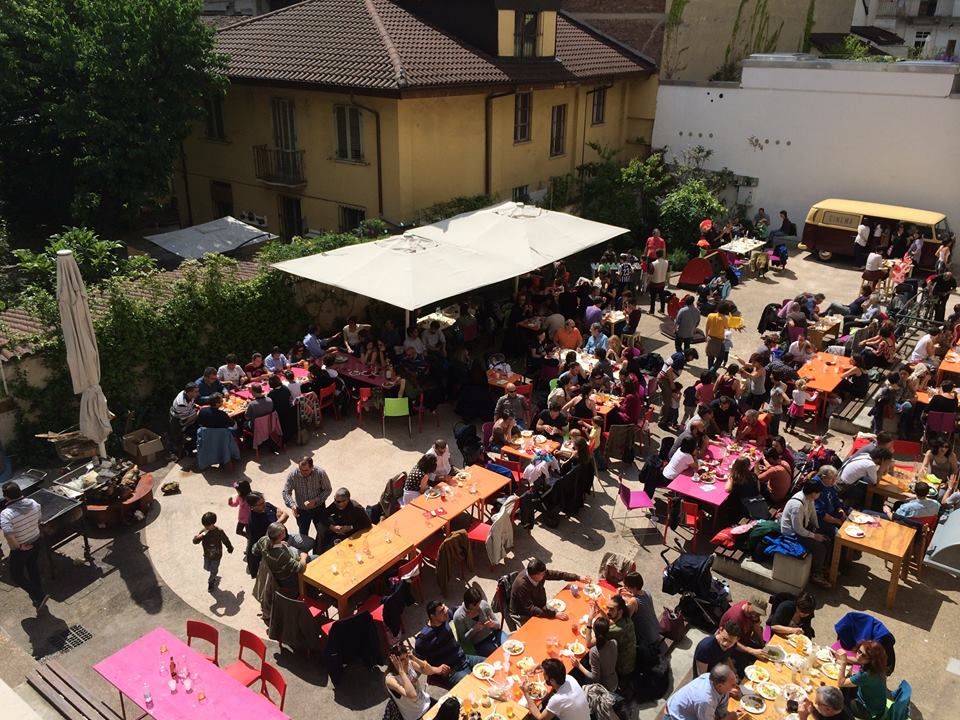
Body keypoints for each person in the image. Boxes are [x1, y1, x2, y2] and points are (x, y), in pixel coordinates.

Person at [414, 600, 485, 688]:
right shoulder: (424, 638)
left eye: (444, 608)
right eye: (441, 611)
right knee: (473, 686)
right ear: (432, 616)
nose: (445, 612)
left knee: (490, 664)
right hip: (452, 671)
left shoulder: (446, 616)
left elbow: (463, 608)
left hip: (465, 658)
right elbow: (416, 662)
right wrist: (435, 670)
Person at [1, 482, 47, 610]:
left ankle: (39, 595)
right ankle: (38, 595)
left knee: (16, 575)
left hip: (22, 547)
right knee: (32, 566)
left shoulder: (6, 514)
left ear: (6, 497)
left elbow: (9, 536)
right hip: (35, 541)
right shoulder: (34, 503)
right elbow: (39, 521)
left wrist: (19, 547)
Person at [780, 481, 831, 586]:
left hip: (803, 528)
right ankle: (816, 575)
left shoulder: (809, 499)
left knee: (827, 539)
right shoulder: (797, 506)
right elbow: (798, 529)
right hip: (792, 534)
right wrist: (814, 536)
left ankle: (823, 566)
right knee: (820, 548)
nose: (820, 495)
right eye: (819, 493)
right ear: (813, 493)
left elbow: (813, 515)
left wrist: (817, 529)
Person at [510, 558, 588, 622]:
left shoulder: (539, 573)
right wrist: (554, 614)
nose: (545, 575)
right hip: (523, 612)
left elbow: (558, 575)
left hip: (538, 605)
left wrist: (577, 577)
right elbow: (530, 608)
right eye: (543, 574)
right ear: (535, 575)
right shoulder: (522, 585)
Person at [663, 664, 739, 720]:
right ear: (720, 686)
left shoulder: (712, 678)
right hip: (675, 717)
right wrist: (730, 717)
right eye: (732, 685)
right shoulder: (706, 700)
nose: (736, 686)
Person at [282, 456, 333, 537]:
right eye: (300, 470)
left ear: (312, 467)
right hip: (302, 511)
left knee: (323, 531)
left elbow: (327, 489)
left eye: (306, 470)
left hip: (318, 508)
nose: (302, 473)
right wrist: (292, 505)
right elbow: (286, 492)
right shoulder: (293, 475)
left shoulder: (320, 473)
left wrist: (316, 500)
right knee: (303, 534)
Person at [524, 658, 590, 720]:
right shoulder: (570, 678)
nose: (543, 675)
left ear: (552, 680)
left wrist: (525, 692)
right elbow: (556, 667)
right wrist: (542, 667)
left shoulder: (557, 699)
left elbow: (540, 717)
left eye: (544, 674)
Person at [837, 641, 889, 719]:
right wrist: (841, 657)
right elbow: (858, 660)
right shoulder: (877, 666)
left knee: (836, 701)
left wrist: (843, 662)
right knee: (845, 687)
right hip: (874, 702)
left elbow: (841, 683)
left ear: (871, 659)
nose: (859, 656)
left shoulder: (867, 675)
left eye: (863, 655)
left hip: (868, 710)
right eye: (859, 651)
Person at [253, 522, 308, 593]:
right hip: (286, 577)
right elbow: (300, 568)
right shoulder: (281, 555)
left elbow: (254, 551)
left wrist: (278, 543)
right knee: (315, 558)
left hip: (274, 570)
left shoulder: (263, 540)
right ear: (280, 535)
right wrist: (303, 557)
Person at [244, 491, 288, 577]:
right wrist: (281, 545)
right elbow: (264, 545)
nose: (264, 504)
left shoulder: (267, 505)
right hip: (275, 548)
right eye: (260, 504)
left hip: (285, 538)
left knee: (309, 542)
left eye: (264, 501)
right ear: (252, 507)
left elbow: (285, 515)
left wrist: (275, 525)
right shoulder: (253, 524)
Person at [720, 596, 769, 672]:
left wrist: (763, 645)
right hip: (730, 646)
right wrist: (751, 651)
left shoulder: (753, 613)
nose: (757, 615)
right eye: (756, 611)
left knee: (765, 655)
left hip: (744, 640)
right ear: (748, 604)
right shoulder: (735, 618)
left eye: (759, 613)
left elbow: (756, 627)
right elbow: (732, 642)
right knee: (744, 668)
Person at [385, 644, 433, 720]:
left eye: (407, 656)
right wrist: (401, 672)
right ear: (394, 662)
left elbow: (430, 672)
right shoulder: (390, 679)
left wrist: (415, 658)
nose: (407, 660)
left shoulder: (410, 664)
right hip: (416, 715)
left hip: (426, 701)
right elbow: (413, 695)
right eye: (402, 659)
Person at [452, 586, 503, 656]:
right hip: (481, 643)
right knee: (497, 655)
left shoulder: (483, 605)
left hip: (495, 633)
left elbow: (498, 625)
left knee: (510, 645)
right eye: (475, 605)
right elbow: (463, 640)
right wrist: (474, 630)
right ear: (468, 604)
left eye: (479, 603)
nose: (479, 607)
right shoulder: (459, 616)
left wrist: (493, 624)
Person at [573, 615, 619, 692]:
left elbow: (594, 677)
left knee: (578, 675)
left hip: (604, 688)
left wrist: (578, 665)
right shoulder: (614, 642)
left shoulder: (594, 651)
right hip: (614, 681)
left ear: (593, 631)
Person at [193, 511, 233, 592]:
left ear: (213, 524)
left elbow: (225, 540)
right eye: (204, 526)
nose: (206, 527)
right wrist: (197, 538)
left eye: (207, 526)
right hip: (207, 555)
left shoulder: (219, 531)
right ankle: (213, 575)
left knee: (213, 569)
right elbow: (195, 542)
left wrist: (229, 547)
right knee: (207, 568)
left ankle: (211, 582)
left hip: (216, 556)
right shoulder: (203, 531)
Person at [320, 487, 372, 551]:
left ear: (347, 500)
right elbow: (323, 515)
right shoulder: (336, 504)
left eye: (338, 501)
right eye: (335, 500)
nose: (336, 502)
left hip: (352, 533)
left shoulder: (356, 508)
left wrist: (351, 527)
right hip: (339, 530)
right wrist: (331, 527)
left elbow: (367, 523)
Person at [603, 594, 636, 678]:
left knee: (595, 652)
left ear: (620, 611)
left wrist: (589, 622)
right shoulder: (626, 618)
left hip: (622, 668)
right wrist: (600, 610)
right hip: (631, 660)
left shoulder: (616, 630)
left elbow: (589, 643)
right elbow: (611, 620)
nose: (607, 612)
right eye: (607, 608)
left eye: (611, 609)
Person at [814, 466, 845, 538]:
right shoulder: (816, 488)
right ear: (823, 477)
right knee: (839, 533)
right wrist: (837, 521)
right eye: (832, 479)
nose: (834, 481)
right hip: (819, 520)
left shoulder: (829, 484)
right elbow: (820, 513)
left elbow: (836, 500)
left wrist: (841, 510)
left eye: (835, 478)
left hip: (831, 514)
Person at [648, 249, 670, 314]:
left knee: (653, 298)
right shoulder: (667, 262)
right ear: (663, 254)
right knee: (662, 297)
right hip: (662, 282)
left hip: (654, 283)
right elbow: (668, 273)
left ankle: (652, 311)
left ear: (656, 255)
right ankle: (662, 310)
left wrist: (648, 282)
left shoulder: (653, 264)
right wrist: (667, 281)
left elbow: (650, 275)